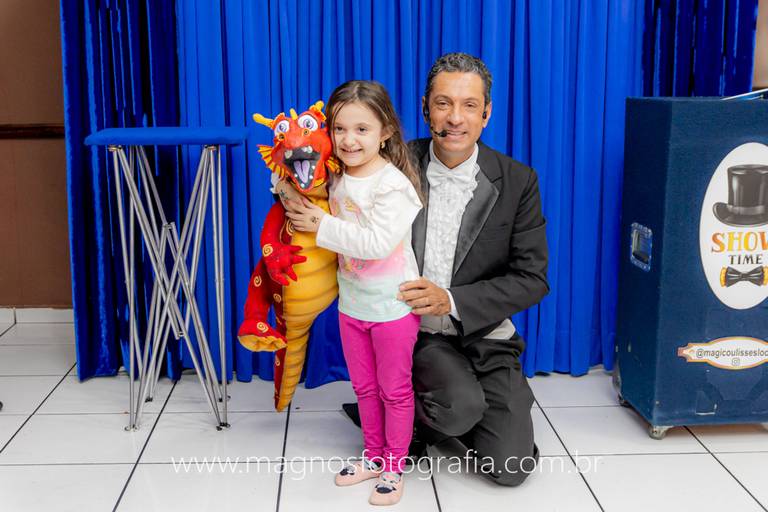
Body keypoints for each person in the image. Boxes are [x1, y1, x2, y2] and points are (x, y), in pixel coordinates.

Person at [285, 80, 423, 506]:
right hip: (354, 305)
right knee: (363, 388)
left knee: (393, 391)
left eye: (362, 129)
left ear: (386, 132)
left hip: (393, 308)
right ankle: (373, 455)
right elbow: (297, 182)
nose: (349, 140)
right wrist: (286, 187)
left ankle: (394, 466)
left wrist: (320, 225)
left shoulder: (393, 186)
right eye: (340, 129)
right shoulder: (338, 176)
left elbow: (377, 243)